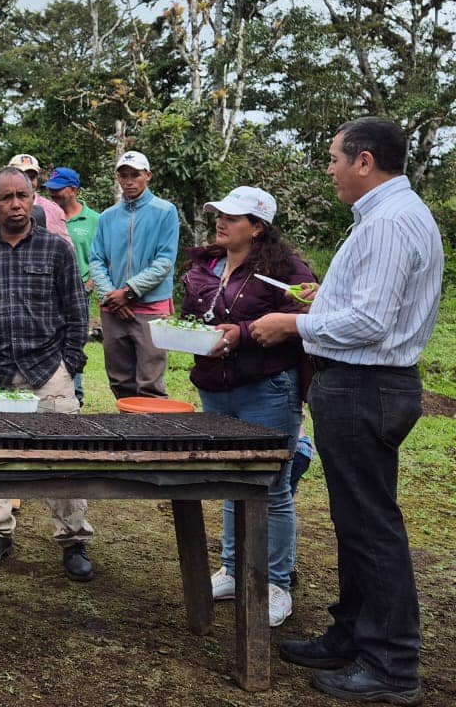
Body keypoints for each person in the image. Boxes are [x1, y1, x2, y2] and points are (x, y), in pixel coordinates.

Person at [251, 118, 441, 705]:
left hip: (366, 385)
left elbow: (371, 322)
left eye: (334, 158)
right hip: (364, 384)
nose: (329, 169)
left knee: (370, 525)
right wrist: (325, 302)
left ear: (364, 161)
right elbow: (368, 307)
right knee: (357, 520)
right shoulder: (387, 216)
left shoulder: (388, 222)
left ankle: (391, 664)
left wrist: (293, 323)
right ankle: (353, 635)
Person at [179, 186, 316, 628]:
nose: (221, 222)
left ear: (257, 227)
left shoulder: (286, 270)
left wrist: (243, 333)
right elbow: (193, 316)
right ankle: (233, 569)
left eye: (233, 217)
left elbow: (306, 321)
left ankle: (275, 583)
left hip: (267, 388)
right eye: (219, 214)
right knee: (230, 478)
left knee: (271, 486)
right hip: (215, 386)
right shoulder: (207, 264)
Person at [0, 167, 94, 580]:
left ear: (33, 199)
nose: (16, 204)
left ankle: (73, 539)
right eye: (7, 197)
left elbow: (76, 312)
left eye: (23, 196)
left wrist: (69, 362)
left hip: (48, 369)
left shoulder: (57, 249)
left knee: (62, 456)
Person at [89, 150, 179, 400]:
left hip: (150, 306)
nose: (129, 181)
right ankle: (127, 425)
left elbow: (164, 261)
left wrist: (128, 292)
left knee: (150, 381)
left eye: (135, 175)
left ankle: (152, 426)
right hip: (113, 308)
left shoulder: (165, 211)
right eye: (123, 175)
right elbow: (96, 260)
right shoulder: (107, 217)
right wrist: (111, 297)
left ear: (147, 176)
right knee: (119, 380)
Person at [45, 166, 101, 405]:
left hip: (79, 291)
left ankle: (75, 394)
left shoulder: (94, 220)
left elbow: (102, 256)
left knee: (74, 341)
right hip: (49, 292)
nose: (53, 194)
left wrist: (90, 283)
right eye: (51, 189)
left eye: (58, 189)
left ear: (74, 190)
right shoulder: (46, 215)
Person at [6, 154, 74, 246]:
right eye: (22, 177)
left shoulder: (53, 210)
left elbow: (66, 248)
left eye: (32, 177)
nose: (27, 182)